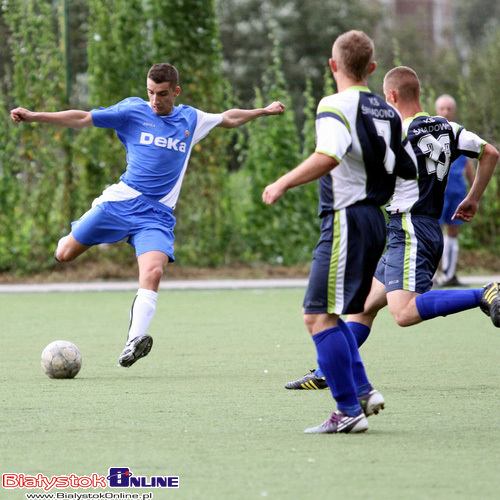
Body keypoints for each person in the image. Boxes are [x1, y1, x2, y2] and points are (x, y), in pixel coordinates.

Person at [11, 63, 285, 368]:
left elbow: (229, 118)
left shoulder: (190, 119)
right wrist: (36, 116)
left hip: (156, 216)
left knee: (153, 272)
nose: (155, 100)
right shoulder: (132, 111)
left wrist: (263, 111)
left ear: (176, 92)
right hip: (120, 202)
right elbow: (82, 118)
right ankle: (76, 234)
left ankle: (133, 342)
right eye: (151, 92)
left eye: (163, 94)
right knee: (64, 253)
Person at [285, 66, 500, 393]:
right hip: (419, 227)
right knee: (362, 307)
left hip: (410, 227)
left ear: (392, 96)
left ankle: (483, 293)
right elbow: (490, 153)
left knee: (404, 312)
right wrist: (473, 198)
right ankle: (327, 369)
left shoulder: (396, 132)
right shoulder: (447, 127)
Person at [262, 32, 418, 434]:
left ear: (333, 66)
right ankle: (362, 391)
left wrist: (281, 183)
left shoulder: (334, 104)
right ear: (371, 68)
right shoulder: (386, 110)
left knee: (316, 317)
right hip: (374, 221)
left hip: (347, 220)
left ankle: (348, 410)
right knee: (333, 314)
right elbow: (406, 168)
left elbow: (328, 155)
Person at [435, 94, 475, 286]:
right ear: (437, 110)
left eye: (449, 108)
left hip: (457, 191)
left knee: (452, 232)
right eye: (442, 108)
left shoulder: (461, 133)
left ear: (454, 110)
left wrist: (475, 193)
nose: (446, 112)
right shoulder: (431, 132)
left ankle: (449, 274)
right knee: (433, 231)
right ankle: (431, 275)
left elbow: (468, 164)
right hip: (437, 191)